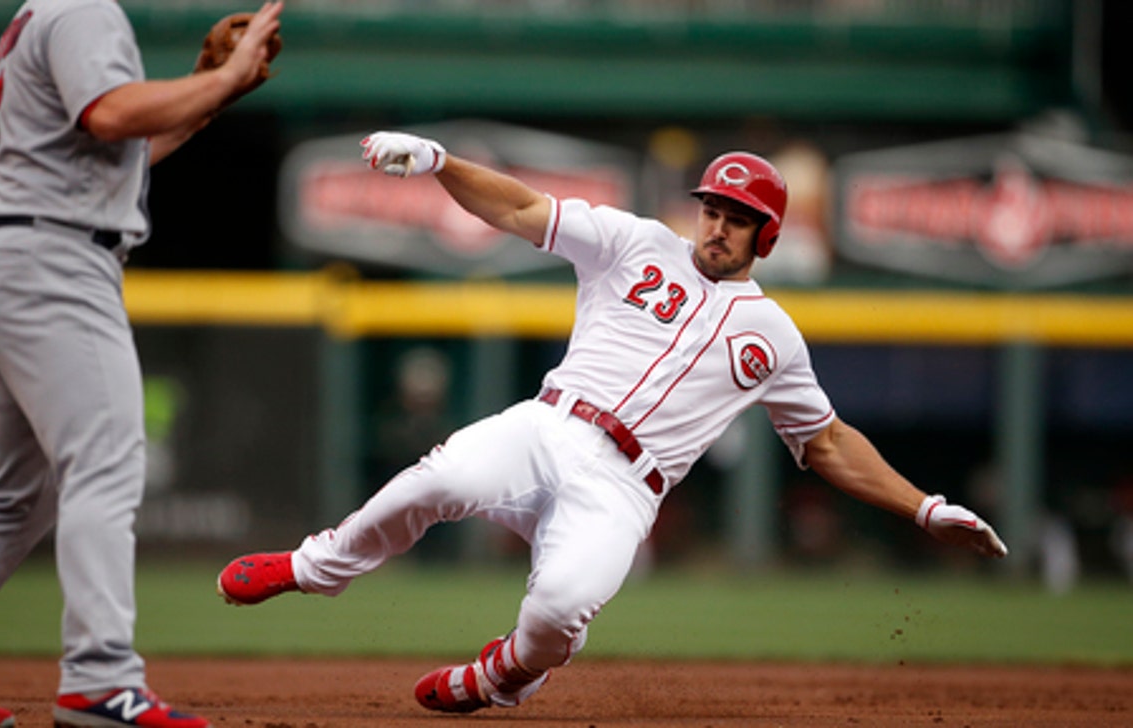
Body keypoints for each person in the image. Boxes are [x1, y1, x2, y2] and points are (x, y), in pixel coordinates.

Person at [217, 131, 1009, 714]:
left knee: (560, 611)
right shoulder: (635, 242)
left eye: (738, 217)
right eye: (712, 208)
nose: (717, 225)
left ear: (766, 234)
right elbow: (524, 208)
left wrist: (925, 507)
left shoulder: (774, 337)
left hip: (626, 487)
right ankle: (313, 567)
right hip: (550, 424)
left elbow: (828, 442)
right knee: (444, 477)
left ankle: (500, 680)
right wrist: (440, 164)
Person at [0, 3, 284, 728]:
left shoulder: (48, 11)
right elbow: (114, 116)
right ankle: (99, 680)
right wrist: (228, 75)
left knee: (16, 496)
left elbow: (118, 154)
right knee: (106, 463)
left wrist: (212, 91)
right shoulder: (85, 8)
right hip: (53, 264)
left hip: (17, 256)